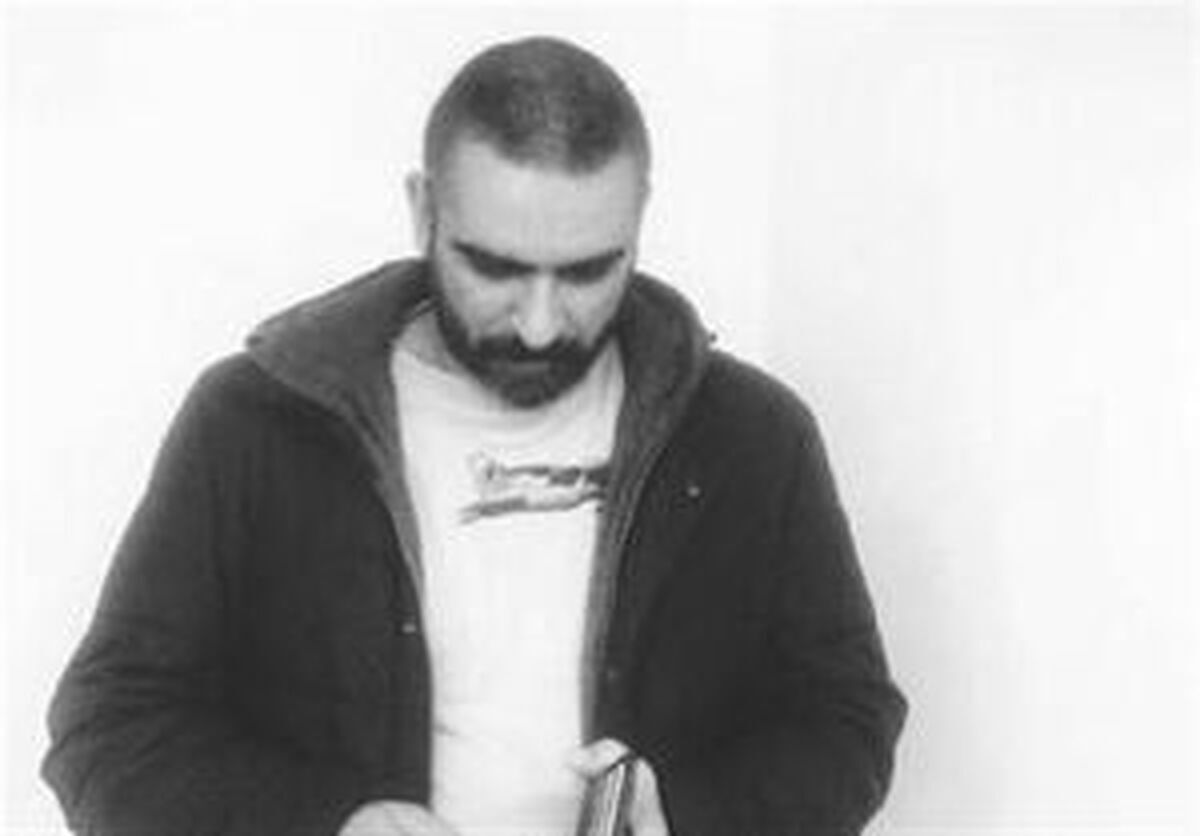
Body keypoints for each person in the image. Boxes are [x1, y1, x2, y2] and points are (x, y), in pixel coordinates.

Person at [42, 36, 906, 836]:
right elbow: (106, 731)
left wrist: (683, 816)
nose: (539, 324)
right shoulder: (254, 422)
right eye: (495, 268)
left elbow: (847, 721)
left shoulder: (752, 436)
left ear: (640, 220)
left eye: (587, 272)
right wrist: (327, 825)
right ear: (423, 210)